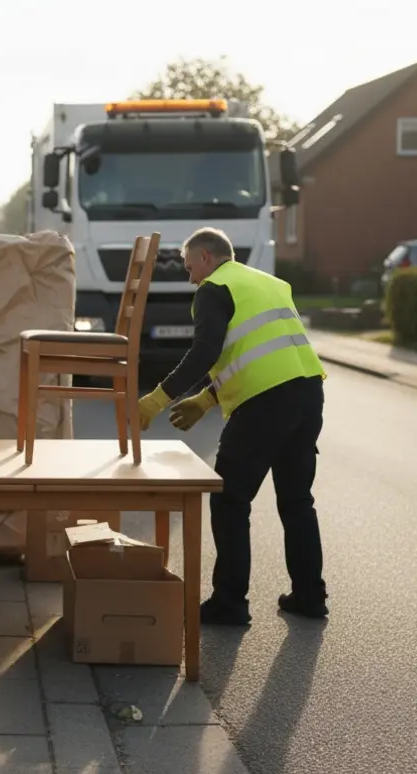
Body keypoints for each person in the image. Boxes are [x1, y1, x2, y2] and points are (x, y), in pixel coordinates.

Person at [132, 227, 329, 625]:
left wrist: (157, 398)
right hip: (308, 394)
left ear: (206, 257)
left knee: (229, 500)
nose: (190, 278)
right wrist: (206, 400)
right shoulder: (271, 284)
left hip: (264, 405)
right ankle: (310, 596)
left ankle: (230, 603)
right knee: (296, 501)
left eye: (190, 268)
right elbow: (256, 352)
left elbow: (205, 351)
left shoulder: (214, 288)